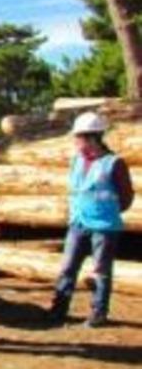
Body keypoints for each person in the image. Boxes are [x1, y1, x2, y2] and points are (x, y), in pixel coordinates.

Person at [48, 112, 134, 328]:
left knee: (101, 271)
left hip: (104, 227)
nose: (75, 142)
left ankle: (98, 313)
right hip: (78, 222)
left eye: (78, 137)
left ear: (92, 138)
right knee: (67, 267)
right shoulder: (76, 161)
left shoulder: (114, 163)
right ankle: (58, 310)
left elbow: (126, 197)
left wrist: (107, 212)